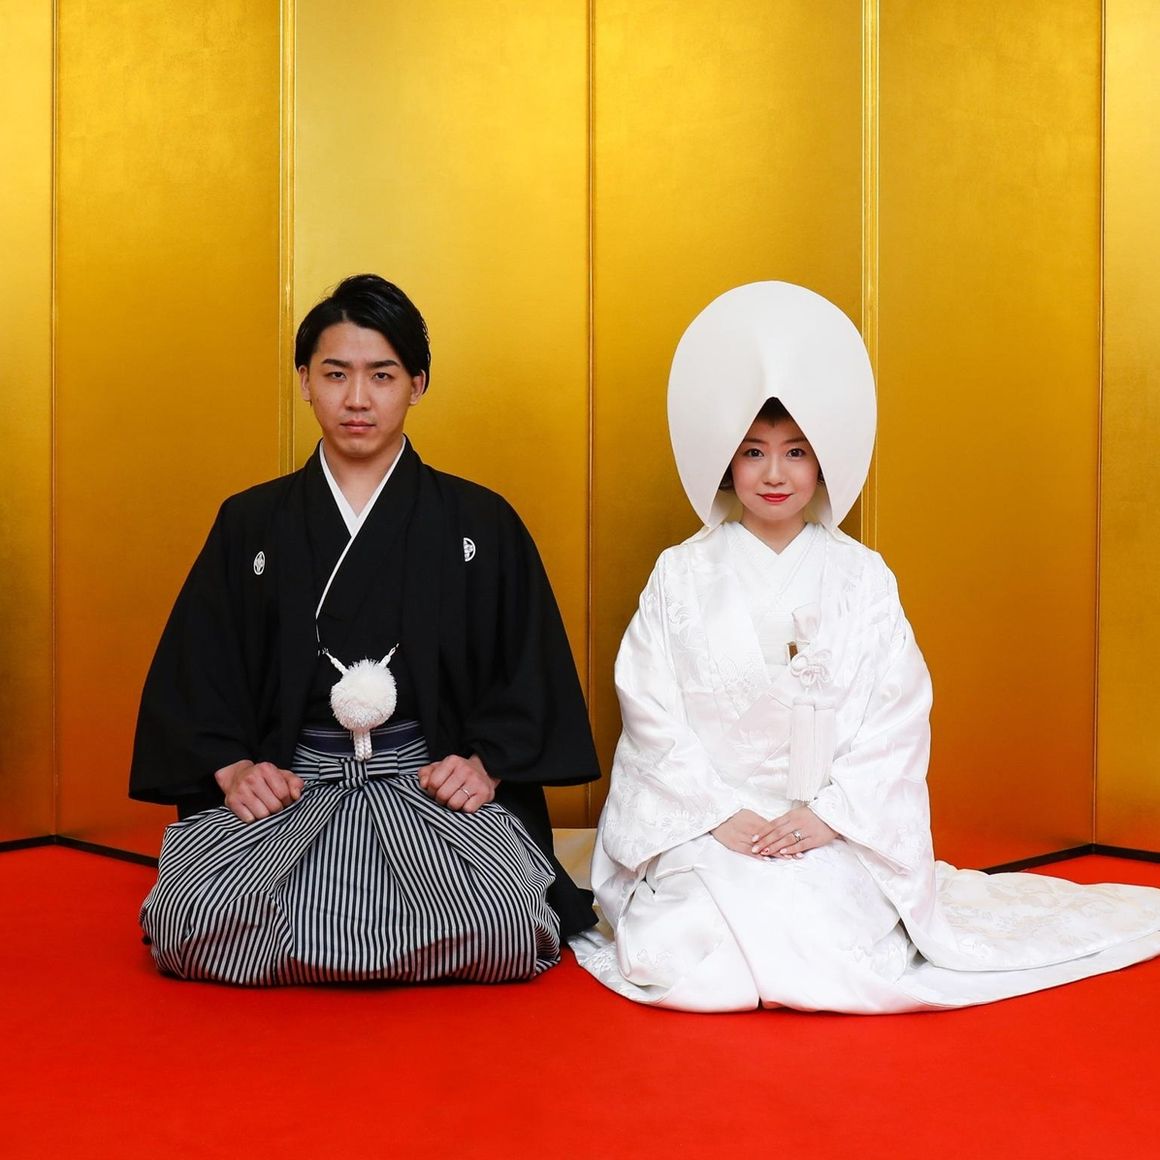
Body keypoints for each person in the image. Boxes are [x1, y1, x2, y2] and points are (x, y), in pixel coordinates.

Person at [575, 281, 1160, 1013]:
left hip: (831, 824)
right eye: (753, 453)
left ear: (822, 462)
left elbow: (896, 715)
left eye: (796, 452)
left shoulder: (862, 577)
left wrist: (830, 816)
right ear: (727, 464)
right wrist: (717, 814)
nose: (775, 474)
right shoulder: (680, 574)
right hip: (710, 824)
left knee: (826, 942)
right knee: (698, 962)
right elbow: (650, 711)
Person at [131, 274, 600, 986]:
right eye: (335, 374)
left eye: (381, 375)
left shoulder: (480, 522)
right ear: (304, 381)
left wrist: (485, 764)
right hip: (296, 784)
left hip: (427, 785)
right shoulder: (251, 523)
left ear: (417, 384)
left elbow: (528, 672)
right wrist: (234, 769)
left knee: (503, 919)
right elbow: (197, 671)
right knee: (189, 920)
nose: (357, 399)